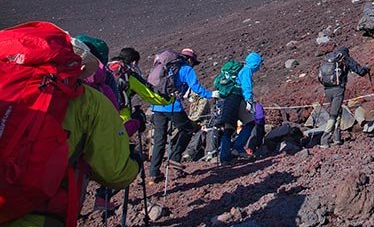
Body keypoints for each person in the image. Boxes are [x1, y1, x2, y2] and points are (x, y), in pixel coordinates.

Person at [1, 23, 140, 227]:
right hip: (37, 214)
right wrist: (133, 163)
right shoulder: (87, 100)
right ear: (80, 65)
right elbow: (114, 172)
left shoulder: (9, 83)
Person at [148, 48, 219, 185]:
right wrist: (211, 94)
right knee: (187, 129)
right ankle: (175, 158)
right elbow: (196, 88)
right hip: (173, 106)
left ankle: (153, 173)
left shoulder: (165, 66)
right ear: (190, 60)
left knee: (159, 138)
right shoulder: (186, 69)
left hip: (157, 106)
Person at [318, 47, 369, 148]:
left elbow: (319, 77)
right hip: (338, 90)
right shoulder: (344, 59)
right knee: (334, 114)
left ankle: (337, 138)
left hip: (327, 89)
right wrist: (367, 69)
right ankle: (324, 140)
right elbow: (360, 71)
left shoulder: (329, 59)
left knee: (337, 111)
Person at [219, 52, 263, 163]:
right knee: (250, 122)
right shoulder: (246, 70)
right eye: (258, 63)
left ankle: (225, 157)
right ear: (255, 63)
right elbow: (246, 87)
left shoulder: (241, 70)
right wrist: (249, 100)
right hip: (238, 99)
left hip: (228, 99)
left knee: (228, 129)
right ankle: (237, 147)